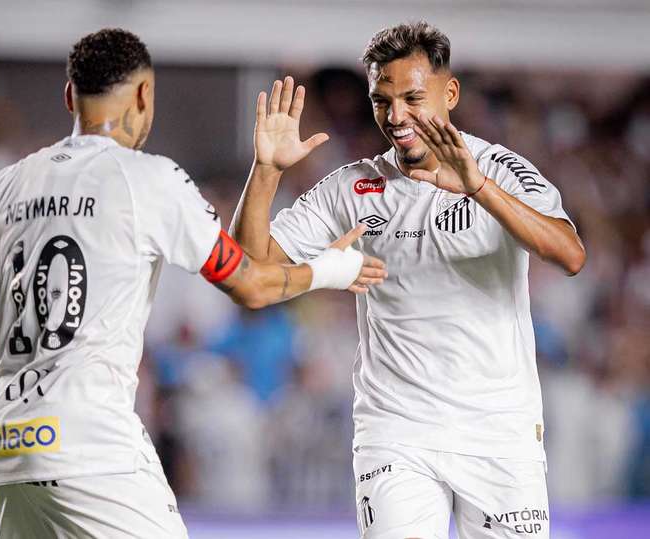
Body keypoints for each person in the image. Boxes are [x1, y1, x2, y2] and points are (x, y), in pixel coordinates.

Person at [0, 28, 386, 539]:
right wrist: (333, 269)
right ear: (144, 95)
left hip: (9, 441)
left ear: (70, 96)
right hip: (91, 442)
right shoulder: (149, 180)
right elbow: (252, 286)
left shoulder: (10, 183)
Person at [231, 21, 586, 539]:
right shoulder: (354, 186)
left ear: (450, 93)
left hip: (500, 434)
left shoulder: (499, 169)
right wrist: (265, 170)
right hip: (396, 433)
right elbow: (247, 268)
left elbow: (570, 254)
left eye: (413, 99)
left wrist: (478, 188)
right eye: (382, 101)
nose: (396, 117)